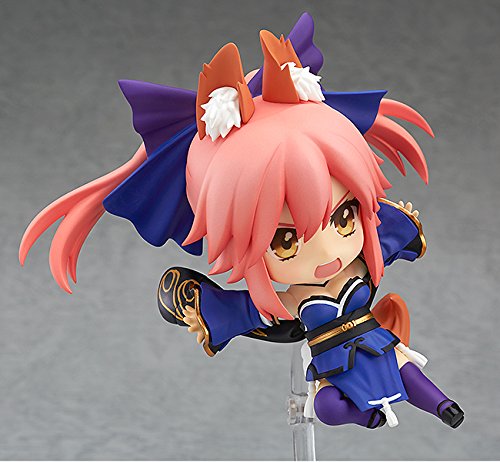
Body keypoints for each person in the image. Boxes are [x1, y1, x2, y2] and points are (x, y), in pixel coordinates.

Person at [19, 13, 464, 430]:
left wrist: (405, 231)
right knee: (328, 407)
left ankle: (443, 406)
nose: (328, 252)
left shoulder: (362, 264)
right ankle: (373, 417)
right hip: (331, 363)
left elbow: (394, 237)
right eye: (285, 242)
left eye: (344, 217)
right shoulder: (291, 301)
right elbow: (249, 312)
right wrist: (201, 305)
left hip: (376, 340)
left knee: (403, 369)